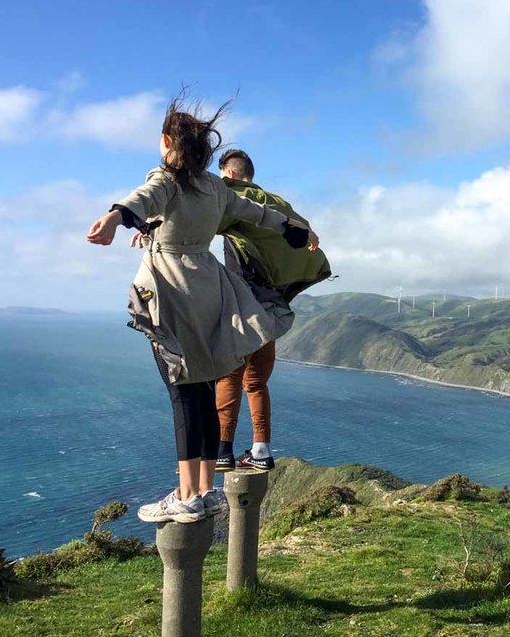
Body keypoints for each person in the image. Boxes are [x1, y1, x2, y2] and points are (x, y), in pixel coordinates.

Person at [86, 94, 311, 524]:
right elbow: (253, 212)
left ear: (168, 140)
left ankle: (187, 494)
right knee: (204, 386)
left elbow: (145, 195)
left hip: (171, 288)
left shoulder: (168, 178)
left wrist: (116, 217)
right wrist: (290, 225)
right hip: (210, 284)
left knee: (182, 390)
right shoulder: (214, 187)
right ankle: (206, 491)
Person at [213, 149, 331, 471]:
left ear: (231, 174)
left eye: (222, 175)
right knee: (257, 382)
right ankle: (261, 452)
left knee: (229, 372)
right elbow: (304, 237)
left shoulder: (232, 196)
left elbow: (200, 218)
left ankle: (222, 449)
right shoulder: (279, 203)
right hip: (274, 306)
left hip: (244, 303)